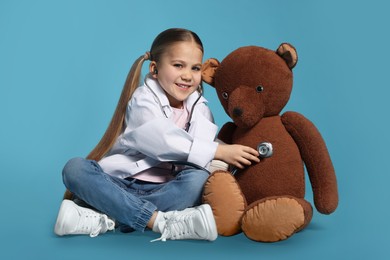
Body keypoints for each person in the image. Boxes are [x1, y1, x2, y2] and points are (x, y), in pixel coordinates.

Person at [54, 28, 260, 242]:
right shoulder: (142, 99)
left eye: (195, 68)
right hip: (120, 183)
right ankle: (159, 222)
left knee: (198, 180)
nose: (188, 75)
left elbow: (199, 161)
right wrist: (219, 150)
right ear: (155, 68)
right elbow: (161, 140)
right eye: (178, 65)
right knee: (75, 169)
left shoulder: (201, 109)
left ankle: (107, 217)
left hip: (164, 189)